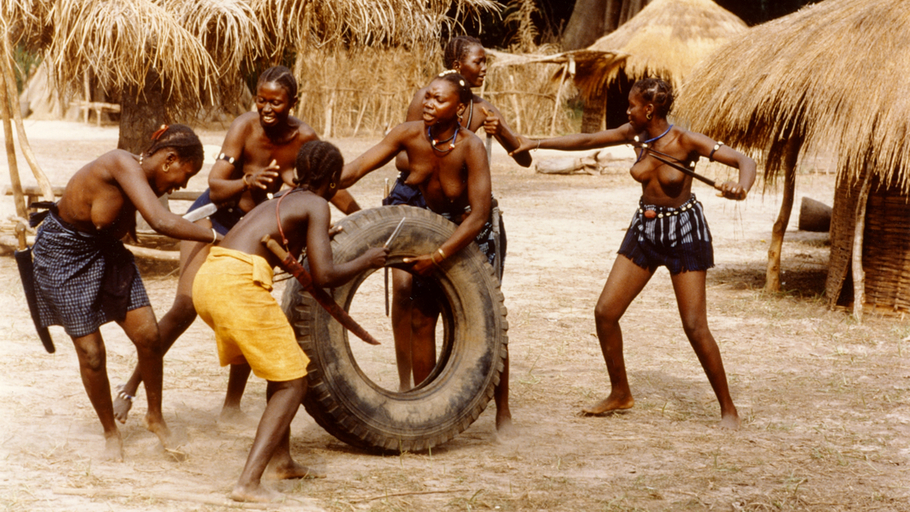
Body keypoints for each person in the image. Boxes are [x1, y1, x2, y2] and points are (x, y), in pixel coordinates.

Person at [113, 66, 361, 424]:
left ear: (293, 102)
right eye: (261, 100)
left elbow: (329, 181)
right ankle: (130, 388)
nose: (266, 108)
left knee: (249, 308)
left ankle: (232, 405)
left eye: (276, 102)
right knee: (184, 307)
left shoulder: (304, 136)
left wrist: (362, 221)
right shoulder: (244, 127)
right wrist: (249, 181)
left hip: (256, 230)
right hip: (214, 217)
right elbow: (215, 186)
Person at [510, 77, 754, 429]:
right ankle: (620, 393)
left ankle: (728, 409)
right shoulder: (635, 134)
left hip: (684, 232)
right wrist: (536, 142)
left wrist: (740, 187)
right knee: (605, 312)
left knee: (694, 325)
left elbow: (745, 162)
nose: (627, 111)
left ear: (649, 109)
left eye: (632, 106)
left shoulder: (686, 140)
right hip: (645, 229)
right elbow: (588, 140)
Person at [192, 140, 387, 503]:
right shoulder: (317, 204)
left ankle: (281, 461)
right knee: (294, 383)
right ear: (332, 181)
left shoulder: (281, 200)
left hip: (211, 277)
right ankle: (247, 483)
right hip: (238, 284)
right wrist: (367, 260)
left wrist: (315, 242)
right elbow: (325, 275)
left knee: (282, 372)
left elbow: (281, 252)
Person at [30, 124, 217, 461]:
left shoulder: (140, 181)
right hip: (64, 255)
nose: (182, 186)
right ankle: (109, 432)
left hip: (107, 253)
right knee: (92, 354)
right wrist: (215, 238)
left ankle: (154, 417)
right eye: (184, 175)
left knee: (149, 336)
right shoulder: (120, 164)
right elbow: (161, 222)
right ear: (169, 159)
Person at [342, 70, 514, 435]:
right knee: (421, 318)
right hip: (429, 232)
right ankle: (425, 408)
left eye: (439, 99)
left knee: (488, 322)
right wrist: (317, 181)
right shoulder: (409, 135)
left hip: (473, 234)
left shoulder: (471, 147)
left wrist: (438, 256)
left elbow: (480, 213)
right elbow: (357, 167)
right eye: (427, 96)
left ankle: (503, 412)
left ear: (460, 108)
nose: (428, 103)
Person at [389, 35, 528, 400]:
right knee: (412, 302)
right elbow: (404, 156)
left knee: (487, 312)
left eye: (484, 62)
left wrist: (504, 132)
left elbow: (524, 158)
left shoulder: (481, 110)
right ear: (456, 63)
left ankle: (502, 409)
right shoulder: (427, 99)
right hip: (429, 210)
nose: (484, 68)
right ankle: (416, 394)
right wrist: (434, 168)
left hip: (471, 219)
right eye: (478, 61)